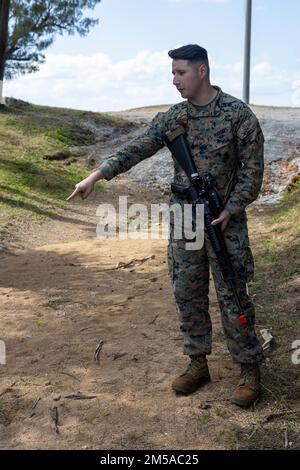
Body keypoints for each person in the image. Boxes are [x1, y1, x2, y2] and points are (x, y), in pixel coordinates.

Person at [67, 44, 265, 408]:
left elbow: (252, 174)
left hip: (225, 220)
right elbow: (137, 148)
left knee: (233, 291)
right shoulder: (174, 118)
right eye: (173, 73)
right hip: (186, 218)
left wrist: (231, 209)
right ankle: (198, 363)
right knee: (187, 291)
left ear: (202, 71)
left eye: (181, 73)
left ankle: (249, 368)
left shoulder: (239, 115)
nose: (174, 80)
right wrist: (96, 176)